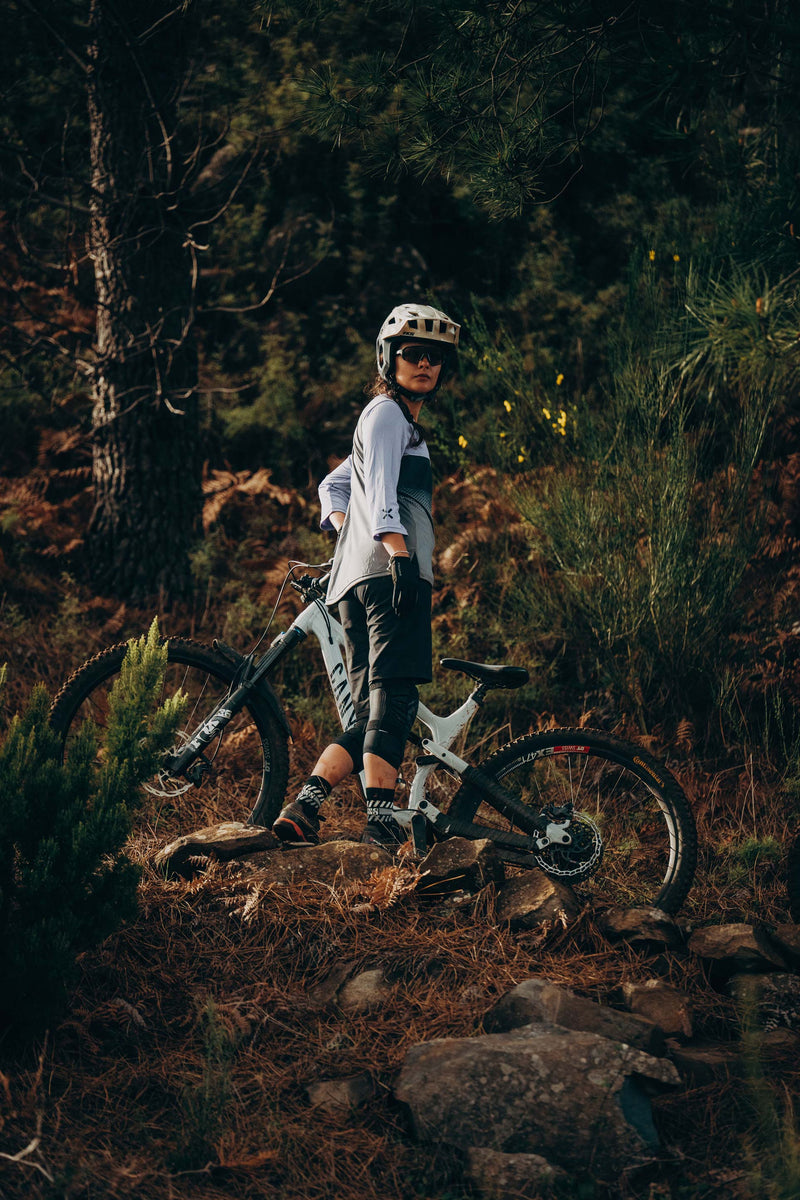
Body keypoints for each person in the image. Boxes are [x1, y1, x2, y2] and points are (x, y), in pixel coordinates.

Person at [272, 302, 460, 847]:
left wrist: (346, 533)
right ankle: (381, 822)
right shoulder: (387, 416)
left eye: (435, 358)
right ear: (390, 360)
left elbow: (336, 487)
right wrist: (397, 555)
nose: (425, 365)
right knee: (396, 699)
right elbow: (379, 495)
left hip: (359, 581)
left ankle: (305, 807)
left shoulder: (394, 423)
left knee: (373, 709)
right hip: (390, 577)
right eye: (413, 355)